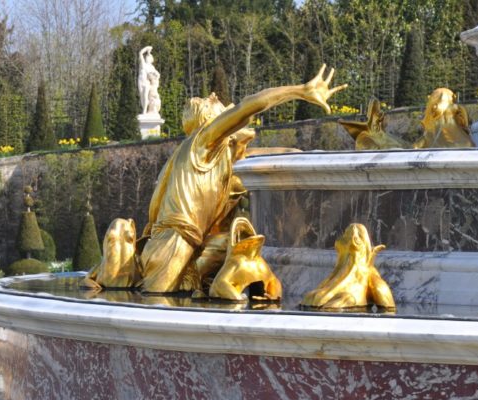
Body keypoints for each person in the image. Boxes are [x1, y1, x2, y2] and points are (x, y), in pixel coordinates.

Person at [139, 65, 347, 293]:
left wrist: (305, 156)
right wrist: (300, 91)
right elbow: (250, 105)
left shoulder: (209, 161)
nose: (214, 95)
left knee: (227, 246)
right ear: (209, 122)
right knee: (156, 308)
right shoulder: (202, 141)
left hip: (181, 246)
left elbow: (263, 156)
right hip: (172, 245)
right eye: (208, 102)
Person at [138, 46, 159, 115]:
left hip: (147, 82)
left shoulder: (152, 67)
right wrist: (147, 48)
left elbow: (158, 75)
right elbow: (140, 53)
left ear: (151, 59)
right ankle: (144, 109)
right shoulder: (143, 63)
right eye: (146, 57)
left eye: (148, 57)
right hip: (141, 81)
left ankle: (144, 111)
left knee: (145, 95)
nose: (147, 58)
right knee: (142, 97)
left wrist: (154, 78)